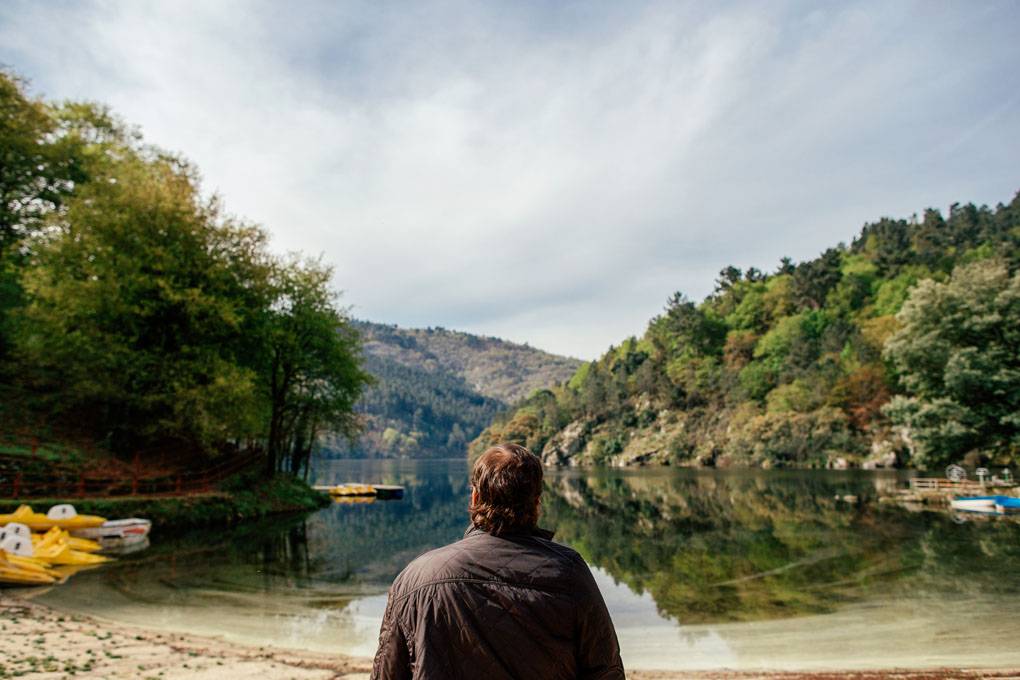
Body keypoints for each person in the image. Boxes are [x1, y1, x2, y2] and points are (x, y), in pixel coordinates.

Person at [371, 443, 625, 680]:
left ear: (474, 498)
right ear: (537, 503)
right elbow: (606, 670)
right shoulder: (568, 571)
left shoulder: (416, 578)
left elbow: (387, 673)